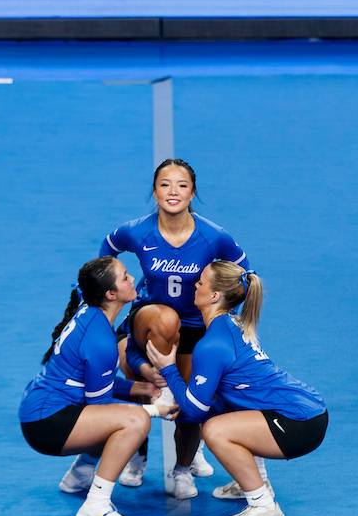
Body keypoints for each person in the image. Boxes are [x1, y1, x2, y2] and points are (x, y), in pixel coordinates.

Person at [98, 158, 251, 497]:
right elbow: (106, 253)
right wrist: (117, 289)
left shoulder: (214, 236)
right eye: (165, 184)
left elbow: (243, 275)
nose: (173, 191)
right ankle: (136, 456)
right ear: (154, 192)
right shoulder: (137, 231)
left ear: (192, 192)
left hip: (195, 328)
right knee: (147, 371)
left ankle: (182, 469)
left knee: (191, 404)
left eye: (182, 185)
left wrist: (223, 316)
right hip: (149, 322)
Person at [145, 261, 327, 516]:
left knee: (215, 430)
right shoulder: (232, 324)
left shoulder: (211, 345)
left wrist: (169, 369)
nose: (195, 285)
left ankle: (263, 506)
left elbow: (194, 412)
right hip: (307, 410)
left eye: (201, 283)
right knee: (221, 411)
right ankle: (254, 482)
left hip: (299, 423)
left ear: (215, 296)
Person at [21, 257, 178, 516]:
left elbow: (93, 382)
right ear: (111, 294)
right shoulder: (102, 342)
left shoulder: (90, 314)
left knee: (126, 415)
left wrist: (142, 387)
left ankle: (79, 476)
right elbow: (102, 411)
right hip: (46, 424)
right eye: (125, 277)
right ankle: (96, 504)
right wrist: (155, 410)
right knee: (134, 423)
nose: (132, 280)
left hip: (40, 410)